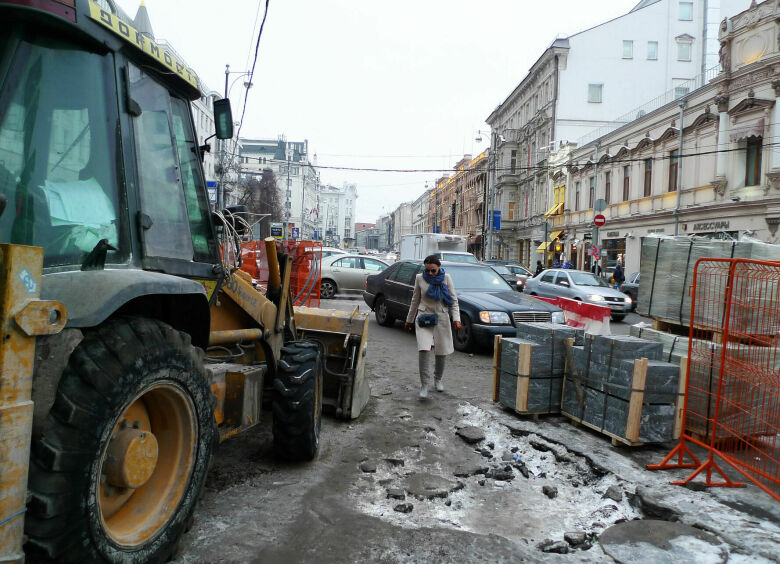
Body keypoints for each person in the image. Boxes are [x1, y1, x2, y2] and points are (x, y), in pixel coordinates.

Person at [405, 256, 461, 399]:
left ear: (439, 268)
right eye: (427, 270)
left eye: (433, 271)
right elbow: (415, 300)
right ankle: (424, 385)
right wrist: (409, 319)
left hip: (441, 317)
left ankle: (438, 379)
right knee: (424, 349)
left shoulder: (446, 278)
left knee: (441, 351)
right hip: (424, 318)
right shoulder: (419, 278)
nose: (430, 273)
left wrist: (457, 319)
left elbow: (453, 301)